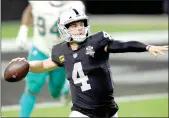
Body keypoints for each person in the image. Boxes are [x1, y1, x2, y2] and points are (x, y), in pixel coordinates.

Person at [12, 8, 168, 118]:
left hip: (109, 111)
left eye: (81, 24)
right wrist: (27, 65)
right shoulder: (61, 51)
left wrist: (146, 47)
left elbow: (122, 45)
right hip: (82, 112)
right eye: (74, 26)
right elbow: (44, 65)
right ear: (64, 29)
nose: (79, 28)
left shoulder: (96, 42)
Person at [15, 1, 85, 117]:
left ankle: (64, 89)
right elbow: (29, 10)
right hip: (40, 48)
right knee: (32, 88)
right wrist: (23, 30)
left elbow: (81, 31)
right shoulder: (38, 2)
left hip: (61, 53)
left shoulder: (76, 5)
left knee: (55, 92)